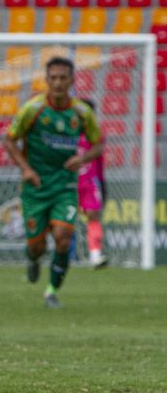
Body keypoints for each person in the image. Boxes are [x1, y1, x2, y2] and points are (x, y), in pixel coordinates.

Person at [4, 57, 103, 309]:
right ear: (46, 80)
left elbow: (99, 143)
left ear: (72, 80)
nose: (58, 82)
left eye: (63, 77)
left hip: (65, 187)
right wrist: (26, 169)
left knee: (62, 238)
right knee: (36, 247)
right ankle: (33, 259)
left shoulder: (82, 112)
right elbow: (8, 140)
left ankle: (51, 291)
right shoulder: (32, 109)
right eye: (54, 78)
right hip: (36, 187)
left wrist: (82, 158)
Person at [77, 99, 108, 269]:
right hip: (68, 183)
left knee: (93, 216)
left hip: (90, 183)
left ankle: (95, 255)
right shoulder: (67, 132)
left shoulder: (96, 135)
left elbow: (100, 162)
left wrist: (102, 184)